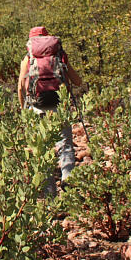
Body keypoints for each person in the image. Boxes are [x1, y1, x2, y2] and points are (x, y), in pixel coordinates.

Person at [17, 26, 84, 183]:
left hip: (37, 107)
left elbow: (20, 87)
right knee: (65, 145)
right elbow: (77, 81)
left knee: (41, 149)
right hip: (59, 105)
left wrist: (22, 109)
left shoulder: (28, 58)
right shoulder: (59, 56)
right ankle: (68, 179)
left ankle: (49, 190)